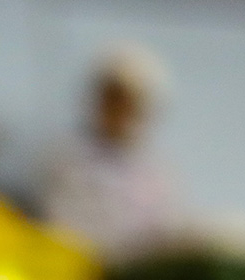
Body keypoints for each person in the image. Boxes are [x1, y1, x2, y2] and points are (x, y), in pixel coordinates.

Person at [42, 45, 180, 260]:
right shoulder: (66, 161)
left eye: (129, 103)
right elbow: (63, 230)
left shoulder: (155, 171)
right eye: (113, 100)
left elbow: (167, 232)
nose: (120, 111)